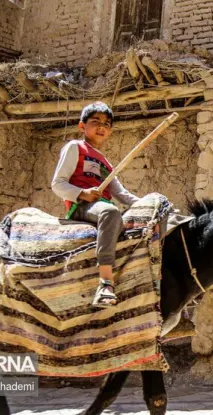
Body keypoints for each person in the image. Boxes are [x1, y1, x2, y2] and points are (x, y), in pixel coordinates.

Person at [51, 101, 141, 308]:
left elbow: (122, 194)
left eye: (107, 124)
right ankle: (105, 283)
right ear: (82, 126)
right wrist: (82, 193)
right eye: (95, 122)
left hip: (102, 210)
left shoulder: (107, 163)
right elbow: (58, 184)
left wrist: (152, 203)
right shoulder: (75, 147)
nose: (102, 127)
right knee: (111, 211)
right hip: (81, 208)